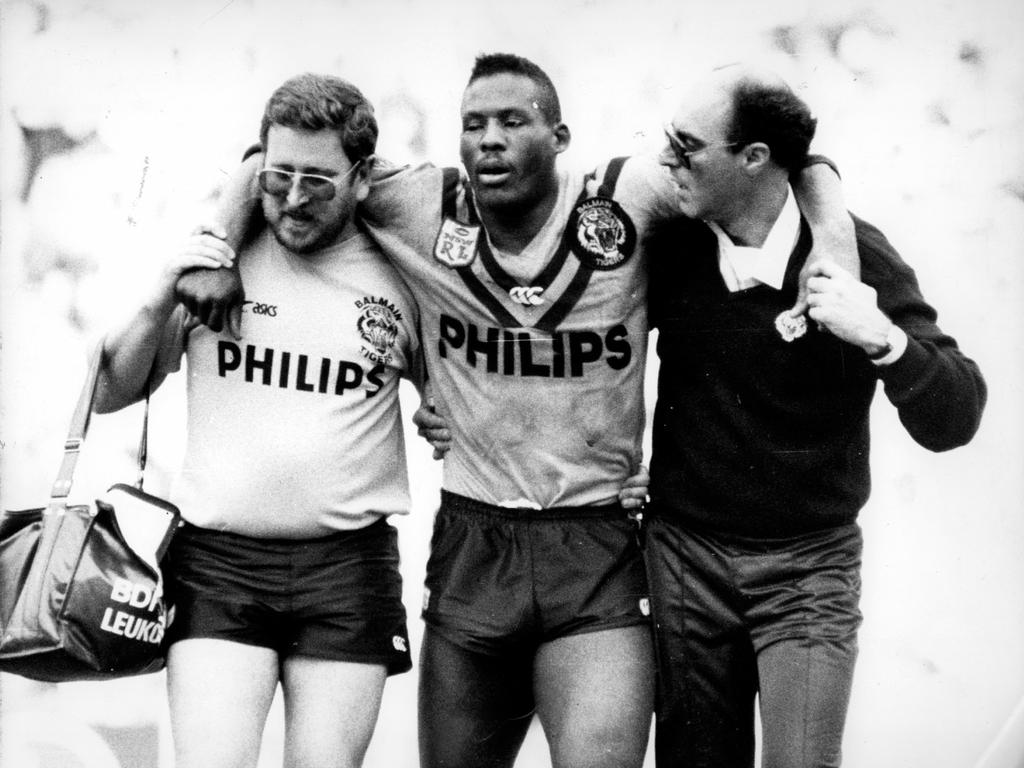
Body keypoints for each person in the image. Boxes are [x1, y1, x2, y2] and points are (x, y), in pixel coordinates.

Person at [178, 53, 856, 768]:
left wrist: (835, 245)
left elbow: (797, 159)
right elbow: (282, 162)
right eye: (473, 124)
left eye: (512, 121)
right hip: (476, 537)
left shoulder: (627, 196)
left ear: (560, 137)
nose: (489, 138)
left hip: (595, 540)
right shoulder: (417, 204)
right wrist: (216, 247)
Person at [643, 65, 987, 768]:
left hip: (807, 567)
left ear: (755, 159)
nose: (665, 161)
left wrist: (883, 339)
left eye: (687, 146)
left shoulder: (855, 256)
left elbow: (957, 413)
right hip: (685, 559)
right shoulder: (673, 239)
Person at [94, 73, 421, 768]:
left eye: (318, 182)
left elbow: (468, 386)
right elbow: (107, 391)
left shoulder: (400, 272)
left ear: (362, 178)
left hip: (347, 566)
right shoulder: (220, 255)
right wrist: (162, 293)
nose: (295, 200)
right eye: (277, 178)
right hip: (220, 563)